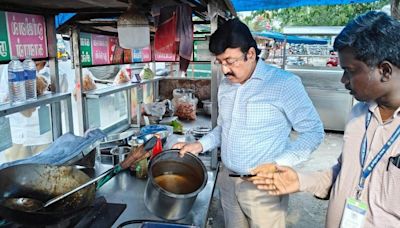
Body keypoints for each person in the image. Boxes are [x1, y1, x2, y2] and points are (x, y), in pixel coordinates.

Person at [252, 11, 400, 228]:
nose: (343, 80)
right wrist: (301, 180)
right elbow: (344, 174)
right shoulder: (360, 115)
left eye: (349, 71)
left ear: (385, 70)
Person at [172, 18, 324, 228]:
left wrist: (279, 164)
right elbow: (224, 128)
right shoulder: (226, 86)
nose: (225, 70)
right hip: (228, 179)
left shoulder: (284, 84)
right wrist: (198, 145)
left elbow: (314, 132)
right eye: (220, 62)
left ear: (250, 53)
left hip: (264, 186)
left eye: (230, 61)